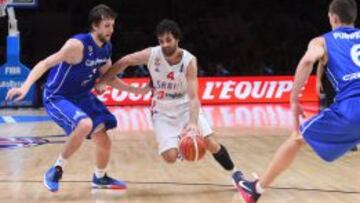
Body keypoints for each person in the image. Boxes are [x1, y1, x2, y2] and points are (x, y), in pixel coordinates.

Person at [234, 0, 360, 202]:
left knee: (297, 138)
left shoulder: (322, 41)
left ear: (333, 17)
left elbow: (308, 60)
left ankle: (255, 189)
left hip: (351, 109)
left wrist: (294, 100)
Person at [6, 4, 139, 192]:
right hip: (57, 96)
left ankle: (100, 177)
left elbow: (108, 78)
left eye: (112, 25)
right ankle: (55, 170)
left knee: (104, 139)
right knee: (84, 125)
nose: (111, 30)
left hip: (82, 96)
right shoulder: (77, 46)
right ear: (95, 26)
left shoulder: (106, 49)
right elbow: (45, 63)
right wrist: (25, 87)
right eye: (107, 25)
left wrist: (137, 91)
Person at [101, 19, 243, 184]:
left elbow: (193, 97)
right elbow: (126, 61)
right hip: (161, 109)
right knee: (170, 157)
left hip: (184, 105)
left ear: (177, 39)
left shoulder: (189, 61)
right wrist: (104, 79)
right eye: (161, 41)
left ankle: (235, 173)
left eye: (168, 40)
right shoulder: (152, 54)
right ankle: (182, 143)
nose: (165, 44)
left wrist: (192, 123)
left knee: (210, 142)